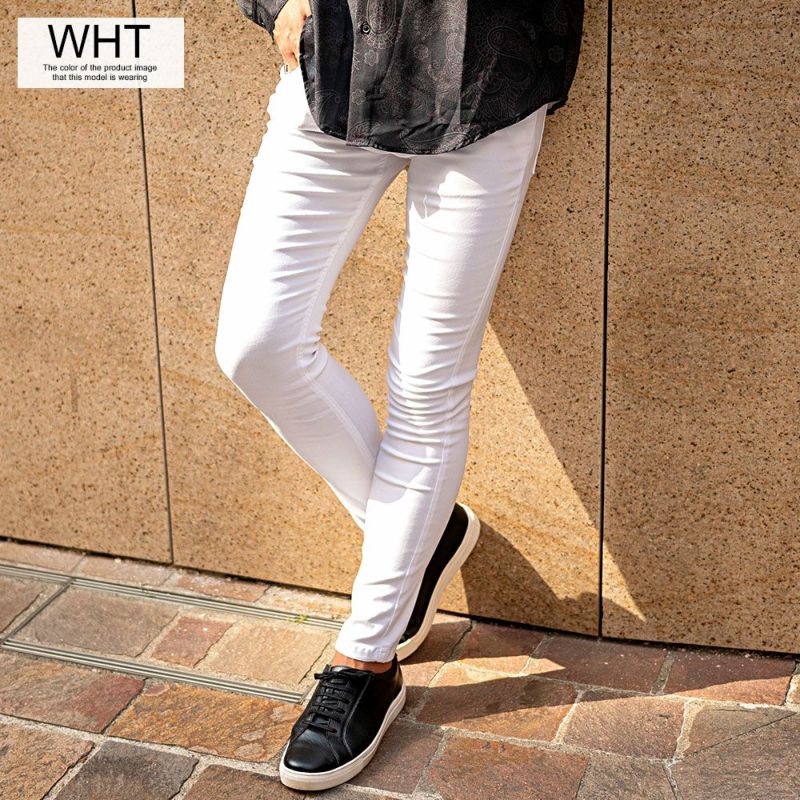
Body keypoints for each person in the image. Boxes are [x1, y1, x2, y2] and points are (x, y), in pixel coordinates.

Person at [215, 0, 584, 790]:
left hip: (487, 71)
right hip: (336, 55)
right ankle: (428, 535)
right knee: (255, 344)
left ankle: (366, 660)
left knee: (426, 381)